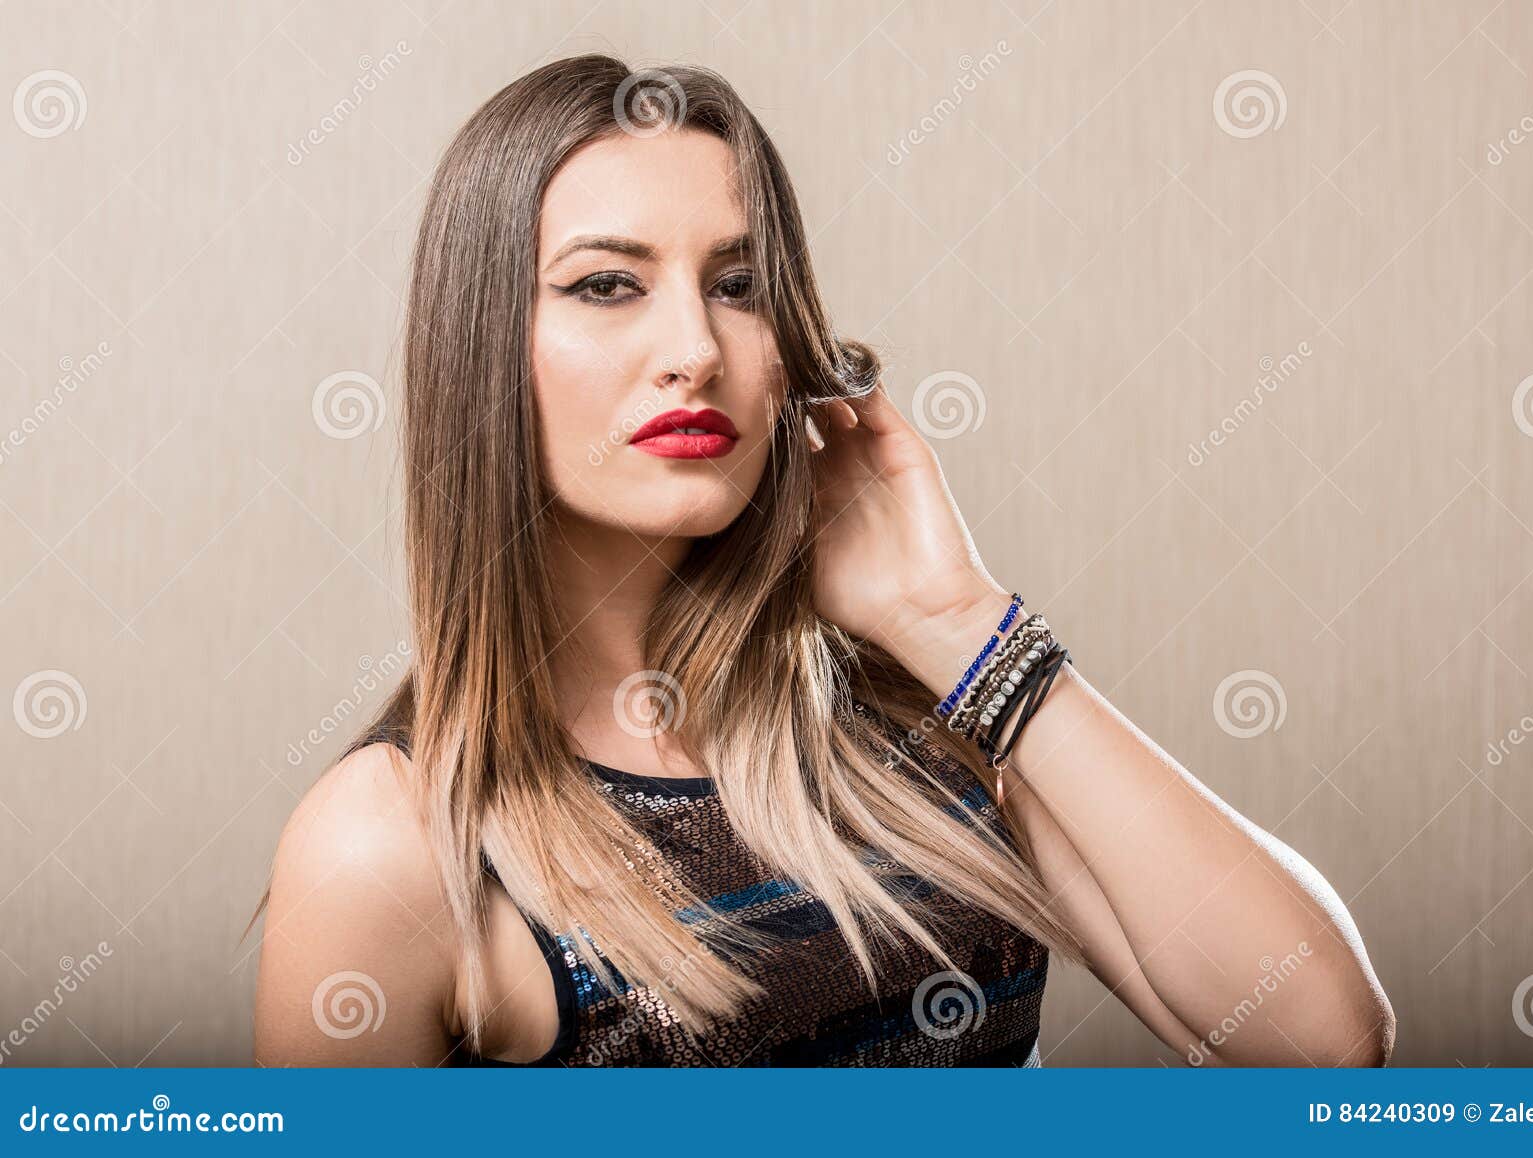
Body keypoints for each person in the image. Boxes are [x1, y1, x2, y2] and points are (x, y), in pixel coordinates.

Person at [251, 54, 1394, 1068]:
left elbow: (1325, 1043)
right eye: (608, 285)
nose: (694, 348)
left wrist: (956, 620)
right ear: (480, 348)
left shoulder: (924, 716)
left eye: (739, 286)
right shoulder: (397, 845)